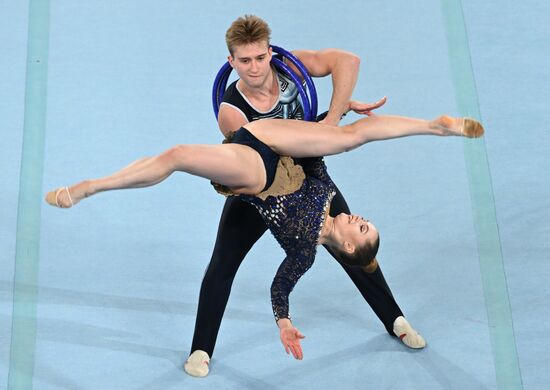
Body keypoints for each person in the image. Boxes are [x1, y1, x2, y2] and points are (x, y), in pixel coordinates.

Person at [45, 112, 484, 368]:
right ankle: (435, 126)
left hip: (257, 175)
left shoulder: (303, 252)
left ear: (349, 247)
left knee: (177, 156)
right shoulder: (330, 195)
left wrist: (284, 322)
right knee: (352, 137)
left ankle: (93, 186)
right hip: (274, 137)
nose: (364, 218)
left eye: (364, 227)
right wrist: (333, 116)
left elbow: (280, 288)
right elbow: (321, 153)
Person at [187, 14, 416, 377]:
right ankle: (201, 348)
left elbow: (347, 61)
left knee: (350, 242)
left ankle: (395, 318)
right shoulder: (231, 113)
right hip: (260, 192)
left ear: (269, 52)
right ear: (231, 62)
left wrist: (333, 117)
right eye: (244, 61)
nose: (255, 68)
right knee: (222, 265)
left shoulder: (291, 67)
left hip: (308, 178)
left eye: (260, 58)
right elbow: (263, 165)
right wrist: (326, 130)